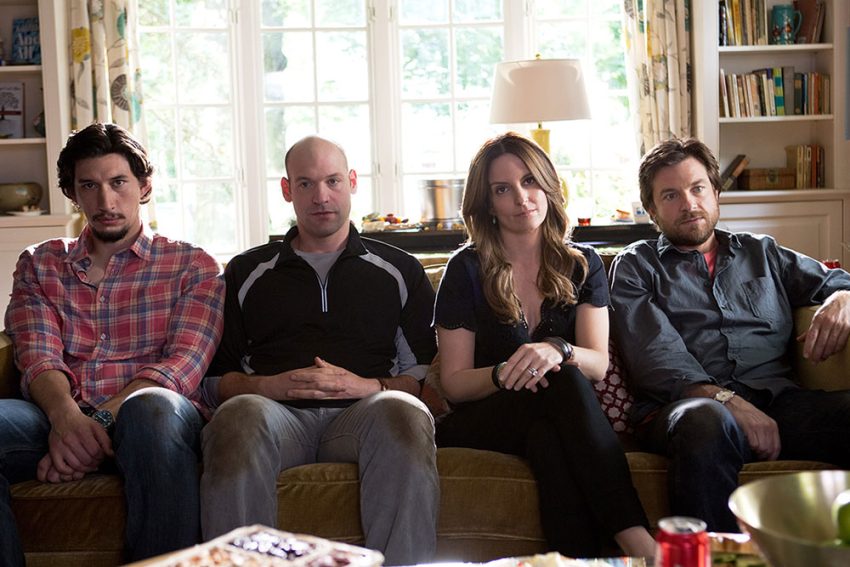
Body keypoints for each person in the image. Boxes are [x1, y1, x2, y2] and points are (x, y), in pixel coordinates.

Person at [199, 135, 439, 565]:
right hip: (275, 418)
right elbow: (215, 379)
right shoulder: (247, 271)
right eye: (306, 184)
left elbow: (424, 373)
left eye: (332, 181)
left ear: (352, 182)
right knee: (237, 416)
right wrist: (271, 387)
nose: (321, 196)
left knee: (405, 411)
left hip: (363, 417)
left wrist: (369, 386)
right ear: (287, 190)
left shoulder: (399, 269)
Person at [0, 122, 225, 566]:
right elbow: (38, 356)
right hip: (56, 416)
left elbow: (182, 366)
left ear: (144, 188)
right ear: (72, 193)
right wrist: (67, 420)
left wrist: (95, 423)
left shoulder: (192, 265)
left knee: (151, 409)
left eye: (118, 183)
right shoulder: (40, 263)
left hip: (154, 422)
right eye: (89, 186)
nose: (105, 202)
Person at [609, 136, 850, 531]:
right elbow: (656, 358)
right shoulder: (637, 266)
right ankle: (715, 556)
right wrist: (729, 402)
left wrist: (843, 298)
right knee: (707, 421)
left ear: (716, 193)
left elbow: (836, 282)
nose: (689, 203)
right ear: (651, 210)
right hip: (686, 408)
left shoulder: (763, 253)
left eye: (697, 188)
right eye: (670, 195)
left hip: (779, 403)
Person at [433, 132, 655, 558]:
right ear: (487, 204)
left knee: (548, 438)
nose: (522, 198)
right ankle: (639, 542)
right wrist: (505, 373)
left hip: (551, 417)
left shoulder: (582, 264)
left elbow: (597, 364)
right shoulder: (466, 269)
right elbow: (455, 384)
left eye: (530, 181)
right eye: (503, 189)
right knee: (563, 382)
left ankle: (574, 560)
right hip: (484, 418)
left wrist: (559, 349)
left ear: (549, 185)